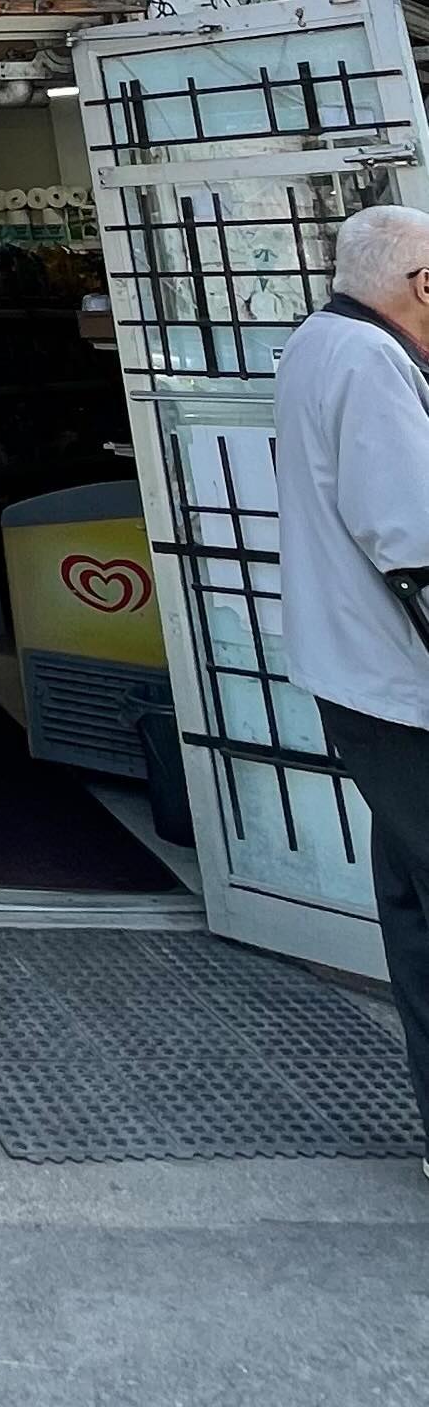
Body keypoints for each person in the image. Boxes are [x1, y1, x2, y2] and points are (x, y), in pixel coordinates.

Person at [274, 204, 429, 1156]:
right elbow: (413, 533)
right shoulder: (370, 360)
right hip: (398, 681)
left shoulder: (318, 342)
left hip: (361, 677)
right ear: (422, 285)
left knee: (412, 902)